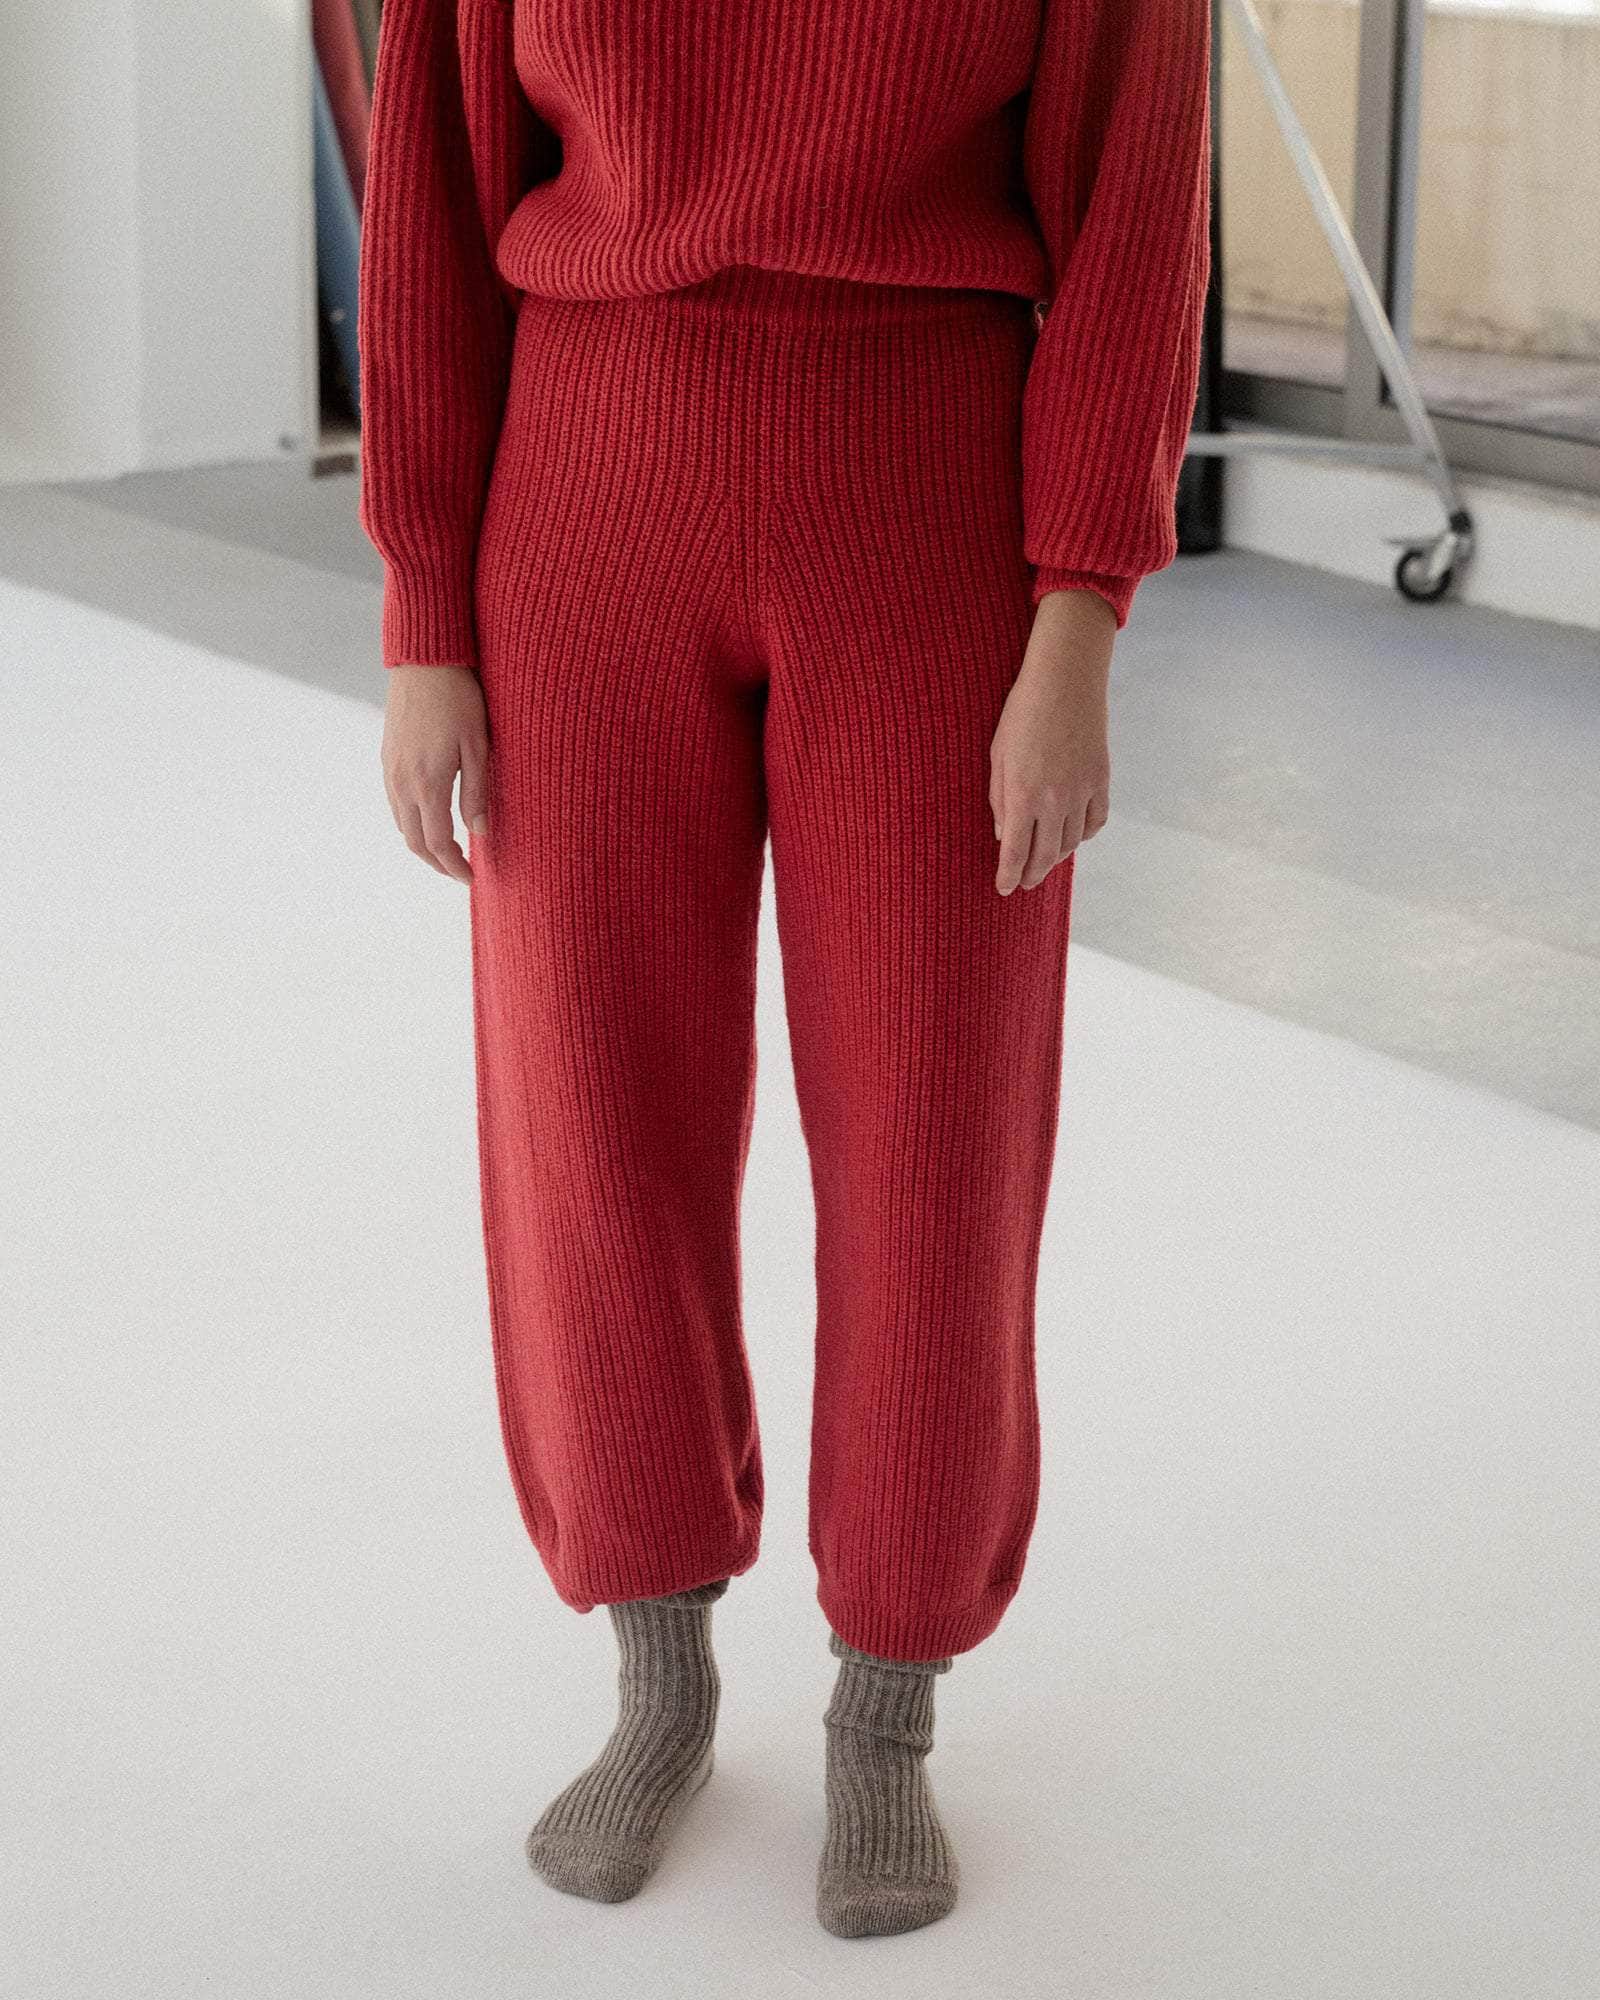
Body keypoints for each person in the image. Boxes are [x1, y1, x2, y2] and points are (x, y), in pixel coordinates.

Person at [357, 0, 1210, 1939]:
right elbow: (427, 204)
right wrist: (424, 617)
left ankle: (885, 1707)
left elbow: (1134, 215)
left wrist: (1079, 612)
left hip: (925, 504)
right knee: (593, 1112)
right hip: (582, 497)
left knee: (935, 1127)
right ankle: (658, 1679)